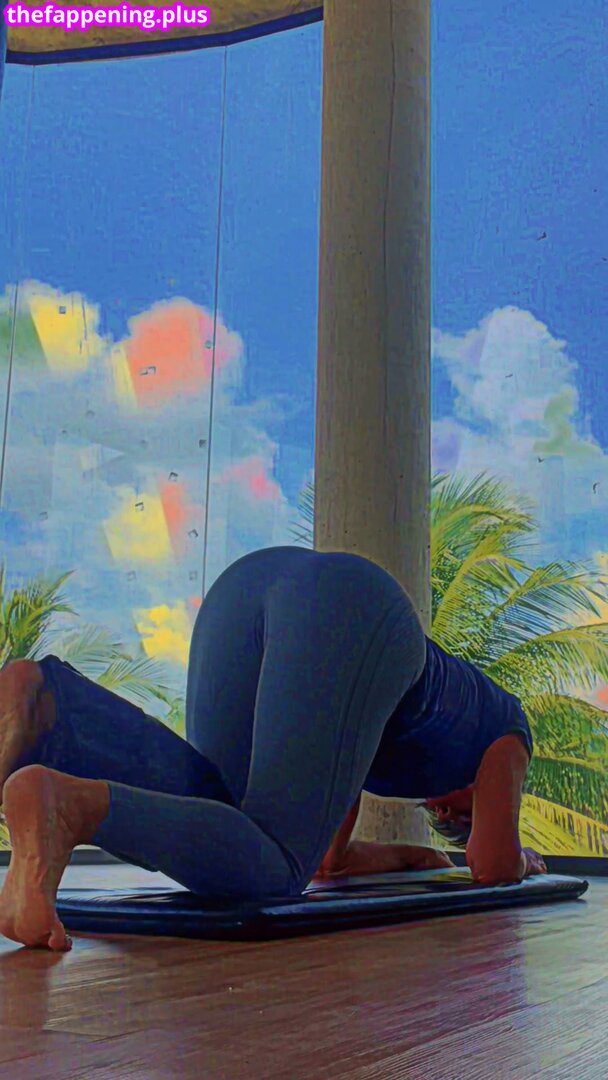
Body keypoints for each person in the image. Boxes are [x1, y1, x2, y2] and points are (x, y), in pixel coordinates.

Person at [0, 545, 545, 952]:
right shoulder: (507, 729)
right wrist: (524, 858)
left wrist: (407, 855)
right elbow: (491, 867)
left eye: (448, 825)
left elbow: (328, 858)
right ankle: (73, 808)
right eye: (466, 816)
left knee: (227, 822)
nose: (448, 816)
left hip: (245, 588)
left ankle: (52, 709)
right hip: (354, 612)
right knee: (277, 874)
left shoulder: (364, 715)